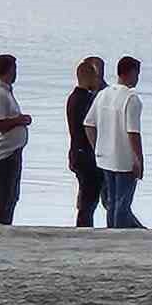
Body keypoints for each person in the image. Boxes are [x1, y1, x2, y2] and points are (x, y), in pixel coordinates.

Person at [83, 56, 145, 229]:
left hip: (105, 157)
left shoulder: (104, 94)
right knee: (122, 204)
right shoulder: (131, 98)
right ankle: (120, 236)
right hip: (124, 160)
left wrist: (97, 147)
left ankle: (111, 233)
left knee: (111, 202)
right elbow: (133, 132)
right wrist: (138, 159)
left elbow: (89, 124)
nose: (137, 78)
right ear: (131, 73)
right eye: (137, 74)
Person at [0, 54, 32, 226]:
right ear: (9, 70)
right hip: (5, 154)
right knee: (4, 197)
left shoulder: (5, 92)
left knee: (11, 196)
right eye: (14, 69)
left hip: (12, 151)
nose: (16, 72)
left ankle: (4, 227)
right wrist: (20, 120)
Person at [66, 57, 107, 227]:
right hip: (86, 156)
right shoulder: (85, 100)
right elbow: (92, 125)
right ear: (90, 77)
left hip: (77, 153)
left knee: (87, 196)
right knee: (89, 200)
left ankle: (83, 226)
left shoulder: (74, 98)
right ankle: (84, 229)